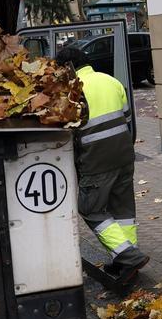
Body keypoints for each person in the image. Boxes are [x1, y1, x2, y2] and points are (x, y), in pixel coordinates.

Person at [58, 46, 149, 289]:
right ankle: (125, 261)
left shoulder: (72, 91)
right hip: (124, 156)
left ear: (68, 68)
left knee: (90, 208)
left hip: (96, 160)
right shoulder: (111, 81)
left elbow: (68, 133)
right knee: (123, 210)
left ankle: (129, 256)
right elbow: (127, 120)